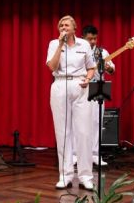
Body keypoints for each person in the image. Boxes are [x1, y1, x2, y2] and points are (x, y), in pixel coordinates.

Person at [47, 15, 96, 190]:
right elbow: (52, 67)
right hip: (60, 84)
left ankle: (85, 176)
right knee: (63, 133)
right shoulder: (54, 44)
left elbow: (91, 67)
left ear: (74, 28)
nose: (63, 27)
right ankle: (65, 175)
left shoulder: (84, 44)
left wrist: (88, 79)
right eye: (61, 25)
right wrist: (60, 45)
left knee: (83, 132)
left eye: (66, 25)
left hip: (80, 85)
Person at [82, 25, 114, 167]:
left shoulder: (102, 52)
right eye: (90, 39)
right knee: (80, 123)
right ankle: (76, 155)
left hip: (97, 88)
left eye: (95, 38)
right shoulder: (79, 51)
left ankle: (95, 154)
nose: (93, 41)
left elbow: (112, 69)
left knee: (96, 123)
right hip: (81, 88)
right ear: (83, 37)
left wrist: (109, 68)